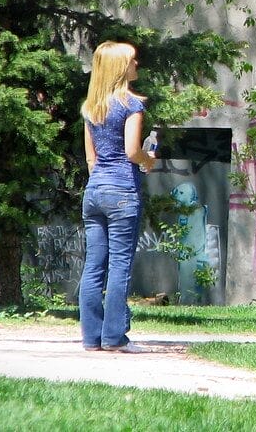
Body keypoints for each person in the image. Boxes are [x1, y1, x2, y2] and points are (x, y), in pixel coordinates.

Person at [78, 41, 156, 353]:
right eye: (133, 60)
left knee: (93, 265)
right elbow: (132, 151)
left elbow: (90, 159)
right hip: (123, 190)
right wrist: (148, 160)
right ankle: (114, 338)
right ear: (120, 67)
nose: (137, 64)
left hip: (95, 190)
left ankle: (90, 338)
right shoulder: (132, 105)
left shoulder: (90, 107)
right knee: (120, 264)